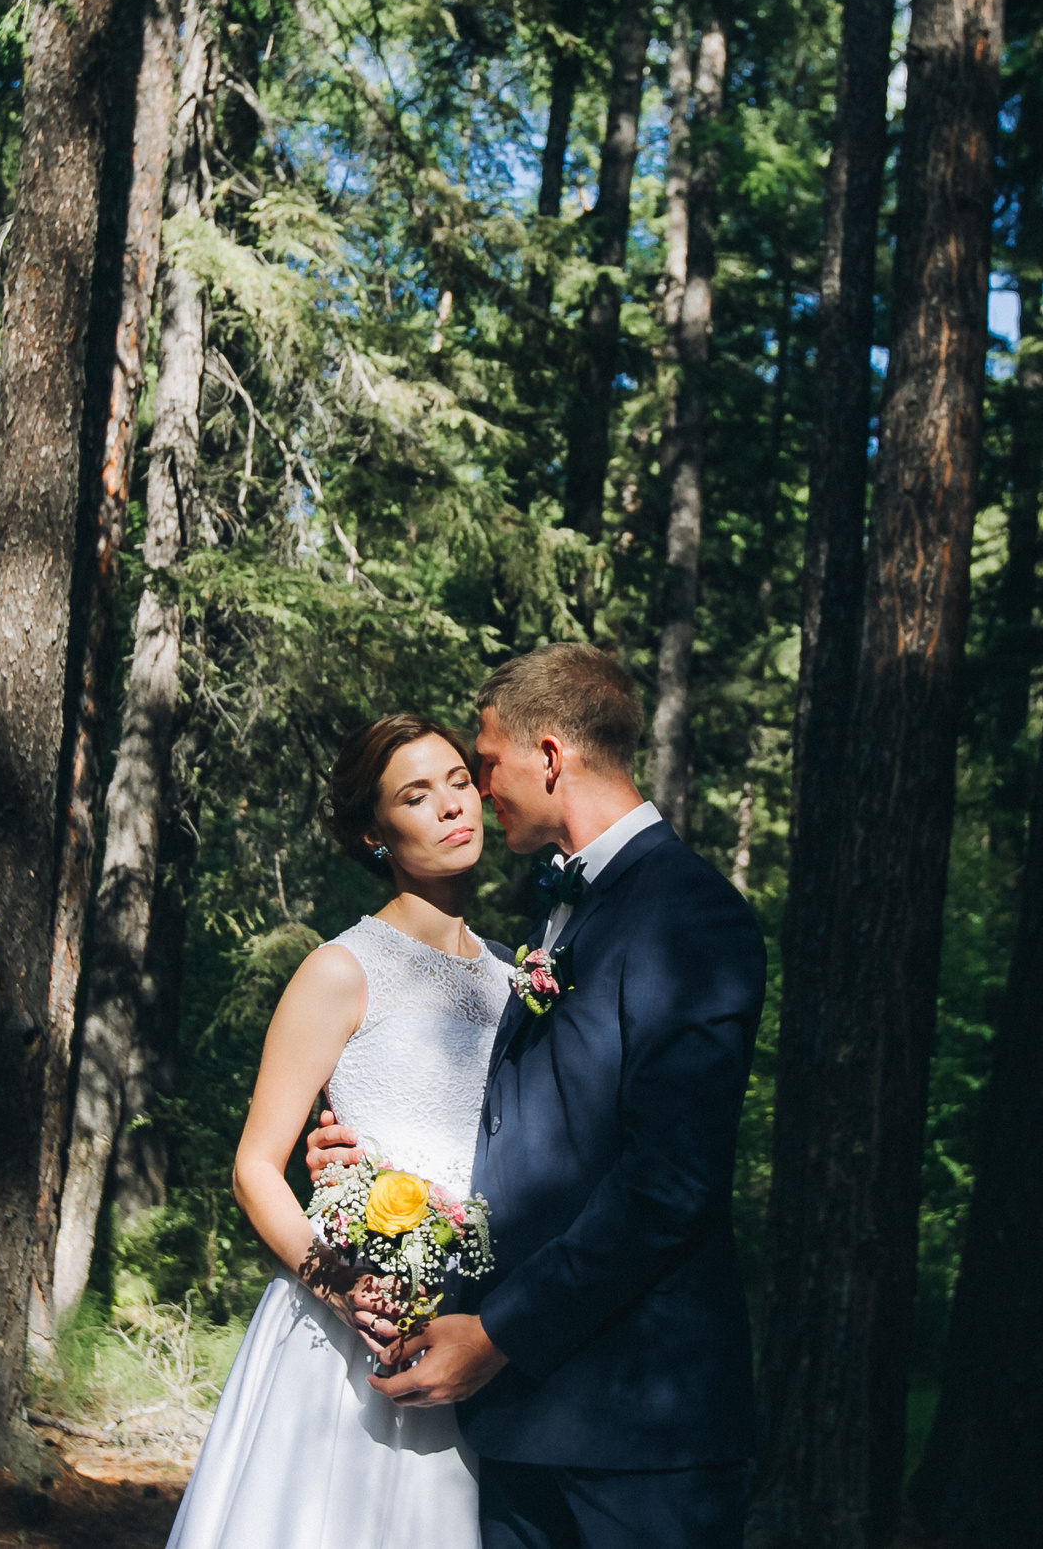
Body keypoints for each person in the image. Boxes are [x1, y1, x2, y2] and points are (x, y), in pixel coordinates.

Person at [308, 643, 769, 1549]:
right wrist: (353, 1158)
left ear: (550, 757)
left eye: (484, 764)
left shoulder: (692, 915)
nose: (479, 791)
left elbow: (668, 1184)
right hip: (518, 1422)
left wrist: (500, 1334)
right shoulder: (552, 916)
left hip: (639, 1431)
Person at [165, 713, 510, 1549]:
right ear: (372, 833)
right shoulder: (340, 968)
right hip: (349, 1326)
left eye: (459, 782)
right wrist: (341, 1283)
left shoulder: (514, 975)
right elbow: (255, 1165)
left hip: (475, 1334)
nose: (451, 808)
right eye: (416, 796)